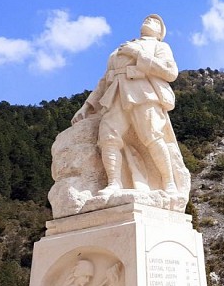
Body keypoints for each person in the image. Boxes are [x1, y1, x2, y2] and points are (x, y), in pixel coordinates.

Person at [72, 14, 180, 194]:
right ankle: (114, 183)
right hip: (115, 96)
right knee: (108, 138)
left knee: (152, 137)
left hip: (144, 94)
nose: (148, 20)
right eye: (147, 19)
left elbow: (170, 73)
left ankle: (169, 183)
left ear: (160, 32)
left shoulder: (160, 46)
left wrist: (139, 55)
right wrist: (87, 106)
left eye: (155, 21)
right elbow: (103, 81)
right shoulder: (119, 50)